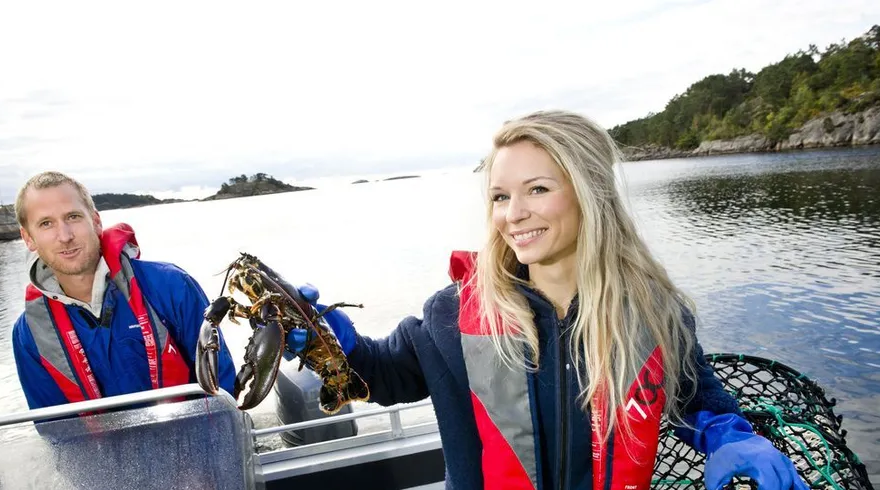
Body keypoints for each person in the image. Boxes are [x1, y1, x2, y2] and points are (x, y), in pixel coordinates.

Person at [278, 111, 809, 490]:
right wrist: (333, 344)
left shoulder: (654, 312)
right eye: (500, 196)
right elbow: (384, 373)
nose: (513, 214)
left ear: (589, 192)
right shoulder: (452, 314)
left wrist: (728, 435)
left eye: (537, 189)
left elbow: (694, 398)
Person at [10, 171, 238, 411]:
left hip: (198, 439)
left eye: (73, 217)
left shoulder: (171, 286)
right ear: (28, 238)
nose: (65, 236)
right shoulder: (29, 333)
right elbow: (53, 426)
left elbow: (221, 388)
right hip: (99, 449)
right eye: (46, 223)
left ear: (96, 221)